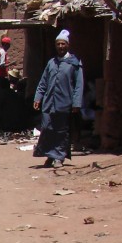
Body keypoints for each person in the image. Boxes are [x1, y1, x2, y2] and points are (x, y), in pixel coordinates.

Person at [33, 29, 84, 168]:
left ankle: (59, 157)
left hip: (64, 103)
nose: (60, 47)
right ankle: (50, 155)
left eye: (63, 44)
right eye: (58, 44)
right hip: (49, 103)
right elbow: (43, 82)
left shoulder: (74, 63)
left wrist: (76, 103)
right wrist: (38, 98)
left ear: (67, 45)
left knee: (61, 131)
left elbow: (79, 85)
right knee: (47, 129)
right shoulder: (51, 63)